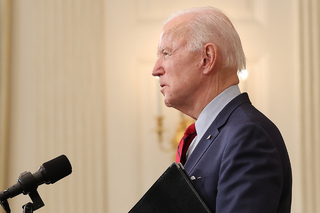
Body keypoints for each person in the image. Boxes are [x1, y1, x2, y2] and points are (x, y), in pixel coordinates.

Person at [151, 6, 292, 213]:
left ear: (207, 58)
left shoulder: (248, 135)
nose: (155, 69)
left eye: (166, 53)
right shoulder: (209, 136)